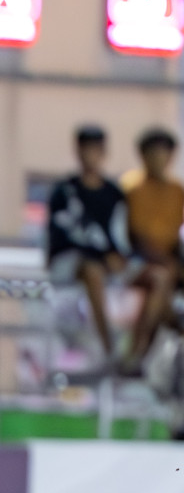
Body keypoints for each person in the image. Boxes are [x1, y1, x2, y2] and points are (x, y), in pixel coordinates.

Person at [46, 125, 129, 359]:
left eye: (96, 150)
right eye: (86, 149)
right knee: (92, 271)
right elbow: (63, 235)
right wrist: (102, 256)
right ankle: (108, 346)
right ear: (78, 151)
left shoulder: (114, 193)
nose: (91, 155)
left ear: (104, 152)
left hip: (107, 267)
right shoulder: (65, 191)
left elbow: (119, 236)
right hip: (69, 263)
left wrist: (118, 257)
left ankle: (136, 354)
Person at [121, 127, 183, 369]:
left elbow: (176, 235)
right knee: (161, 279)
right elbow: (133, 236)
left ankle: (145, 356)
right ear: (143, 155)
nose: (161, 158)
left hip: (170, 262)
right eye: (155, 152)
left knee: (165, 286)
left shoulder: (178, 191)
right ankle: (138, 352)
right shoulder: (131, 188)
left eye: (166, 152)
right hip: (136, 262)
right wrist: (167, 262)